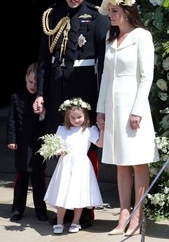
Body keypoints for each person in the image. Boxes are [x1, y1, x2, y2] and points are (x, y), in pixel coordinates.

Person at [33, 0, 110, 228]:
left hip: (84, 88)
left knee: (85, 149)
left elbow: (105, 60)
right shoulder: (51, 15)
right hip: (57, 88)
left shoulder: (97, 17)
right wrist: (41, 92)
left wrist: (102, 100)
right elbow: (44, 59)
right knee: (59, 146)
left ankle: (86, 209)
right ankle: (63, 207)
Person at [96, 0, 160, 236]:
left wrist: (137, 110)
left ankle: (137, 215)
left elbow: (146, 76)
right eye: (109, 10)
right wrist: (101, 110)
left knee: (137, 163)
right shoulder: (111, 40)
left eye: (114, 11)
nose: (110, 15)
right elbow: (107, 78)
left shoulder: (141, 37)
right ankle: (123, 214)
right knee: (121, 163)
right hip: (114, 107)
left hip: (134, 107)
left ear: (127, 11)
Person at [44, 97, 104, 234]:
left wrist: (102, 130)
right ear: (67, 117)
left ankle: (75, 221)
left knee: (79, 193)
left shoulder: (89, 131)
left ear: (85, 116)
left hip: (81, 166)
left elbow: (100, 144)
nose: (77, 120)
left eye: (79, 117)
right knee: (62, 193)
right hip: (65, 165)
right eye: (73, 117)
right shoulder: (62, 130)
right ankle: (59, 222)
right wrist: (59, 150)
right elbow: (57, 145)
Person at [6, 62, 48, 222]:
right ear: (25, 78)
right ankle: (17, 209)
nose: (33, 85)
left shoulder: (42, 100)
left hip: (37, 146)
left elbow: (45, 123)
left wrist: (43, 114)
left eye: (36, 83)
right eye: (30, 82)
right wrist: (11, 139)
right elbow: (12, 121)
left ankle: (41, 210)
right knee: (21, 180)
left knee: (38, 181)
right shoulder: (17, 97)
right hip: (22, 145)